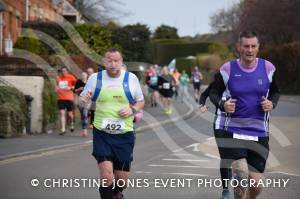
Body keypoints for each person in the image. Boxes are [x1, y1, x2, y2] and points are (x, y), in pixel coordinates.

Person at [209, 31, 280, 199]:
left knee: (256, 185)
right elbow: (213, 93)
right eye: (246, 46)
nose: (249, 50)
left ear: (258, 47)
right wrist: (223, 104)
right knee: (240, 176)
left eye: (253, 46)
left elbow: (276, 92)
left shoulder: (268, 68)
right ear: (239, 47)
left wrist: (272, 103)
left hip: (259, 133)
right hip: (233, 131)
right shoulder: (227, 69)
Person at [79, 48, 145, 199]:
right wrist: (83, 100)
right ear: (104, 62)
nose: (113, 64)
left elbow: (141, 101)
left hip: (124, 135)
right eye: (109, 60)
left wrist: (132, 109)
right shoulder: (95, 79)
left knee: (122, 181)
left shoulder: (130, 79)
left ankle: (117, 193)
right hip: (102, 134)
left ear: (121, 62)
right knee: (107, 177)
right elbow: (81, 101)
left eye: (116, 61)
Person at [199, 72, 232, 199]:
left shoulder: (240, 85)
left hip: (237, 126)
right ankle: (225, 190)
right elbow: (204, 95)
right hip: (220, 125)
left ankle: (232, 172)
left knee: (235, 156)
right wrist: (202, 105)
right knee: (225, 157)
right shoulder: (216, 85)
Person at [56, 66, 77, 135]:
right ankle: (63, 129)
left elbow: (76, 85)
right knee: (62, 113)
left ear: (67, 71)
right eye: (62, 71)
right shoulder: (58, 78)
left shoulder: (71, 77)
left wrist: (71, 87)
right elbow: (57, 87)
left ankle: (72, 123)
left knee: (70, 114)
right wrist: (56, 88)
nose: (63, 72)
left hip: (69, 98)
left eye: (65, 71)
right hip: (61, 98)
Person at [74, 71, 89, 137]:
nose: (83, 76)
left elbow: (93, 90)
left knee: (85, 113)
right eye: (82, 75)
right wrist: (79, 89)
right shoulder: (78, 82)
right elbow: (74, 91)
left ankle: (85, 130)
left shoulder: (89, 82)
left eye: (84, 75)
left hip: (88, 100)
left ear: (86, 76)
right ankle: (84, 127)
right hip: (80, 99)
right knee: (82, 114)